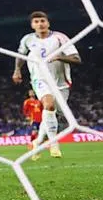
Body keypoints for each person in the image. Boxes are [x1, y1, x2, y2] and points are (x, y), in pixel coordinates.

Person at [13, 10, 81, 160]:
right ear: (32, 25)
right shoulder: (28, 39)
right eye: (36, 22)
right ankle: (53, 143)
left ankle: (37, 143)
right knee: (48, 105)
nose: (40, 24)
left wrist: (60, 57)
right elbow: (20, 56)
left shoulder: (60, 37)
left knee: (52, 114)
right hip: (39, 79)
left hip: (61, 82)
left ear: (48, 23)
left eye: (42, 21)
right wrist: (17, 70)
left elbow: (77, 59)